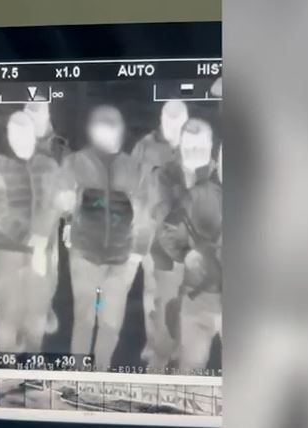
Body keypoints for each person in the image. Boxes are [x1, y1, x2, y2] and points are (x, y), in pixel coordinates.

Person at [55, 105, 155, 368]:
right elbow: (61, 200)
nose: (107, 136)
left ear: (120, 132)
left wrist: (136, 254)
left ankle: (101, 370)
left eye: (112, 130)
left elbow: (144, 214)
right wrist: (66, 213)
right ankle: (78, 373)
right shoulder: (76, 163)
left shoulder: (135, 168)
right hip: (84, 256)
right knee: (84, 320)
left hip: (120, 260)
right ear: (93, 132)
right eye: (102, 130)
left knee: (110, 323)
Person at [0, 111, 61, 353]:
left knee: (37, 308)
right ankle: (7, 364)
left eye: (24, 133)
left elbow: (54, 204)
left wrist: (42, 239)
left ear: (34, 135)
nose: (20, 139)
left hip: (40, 248)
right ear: (8, 135)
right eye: (14, 133)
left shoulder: (49, 165)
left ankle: (32, 361)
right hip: (6, 247)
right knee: (9, 311)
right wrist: (30, 239)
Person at [153, 119, 222, 370]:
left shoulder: (221, 171)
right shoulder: (164, 174)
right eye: (189, 147)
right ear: (180, 145)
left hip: (211, 275)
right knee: (165, 332)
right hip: (172, 263)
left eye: (200, 148)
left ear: (211, 145)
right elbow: (162, 216)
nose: (194, 153)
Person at [130, 100, 190, 366]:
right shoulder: (145, 148)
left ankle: (178, 347)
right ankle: (154, 346)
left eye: (179, 124)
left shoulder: (194, 146)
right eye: (169, 122)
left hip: (183, 236)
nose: (173, 129)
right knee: (152, 293)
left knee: (182, 294)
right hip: (152, 233)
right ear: (162, 120)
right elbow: (133, 191)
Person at [22, 99, 70, 334]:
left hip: (48, 217)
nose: (31, 122)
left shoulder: (59, 149)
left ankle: (44, 308)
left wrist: (70, 222)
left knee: (46, 265)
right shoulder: (19, 140)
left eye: (35, 117)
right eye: (28, 117)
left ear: (46, 116)